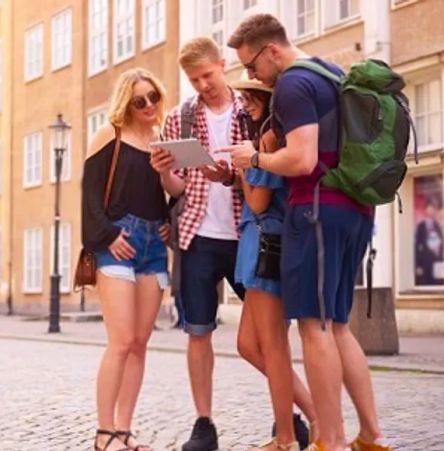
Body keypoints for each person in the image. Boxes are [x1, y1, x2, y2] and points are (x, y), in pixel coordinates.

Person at [224, 14, 391, 451]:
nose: (251, 76)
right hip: (354, 208)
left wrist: (253, 160)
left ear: (272, 50)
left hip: (316, 211)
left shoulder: (294, 85)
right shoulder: (332, 73)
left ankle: (330, 442)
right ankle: (371, 435)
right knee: (338, 325)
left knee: (313, 328)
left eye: (251, 65)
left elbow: (301, 160)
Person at [150, 37, 246, 451]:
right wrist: (163, 172)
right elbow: (177, 188)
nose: (202, 85)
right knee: (198, 331)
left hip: (248, 235)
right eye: (194, 80)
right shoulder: (180, 118)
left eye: (207, 75)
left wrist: (230, 174)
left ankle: (289, 415)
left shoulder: (251, 109)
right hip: (196, 235)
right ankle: (204, 424)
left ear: (222, 65)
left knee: (269, 335)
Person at [82, 68, 171, 451]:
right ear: (126, 103)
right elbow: (89, 197)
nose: (149, 104)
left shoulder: (161, 141)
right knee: (119, 342)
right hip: (117, 240)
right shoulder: (109, 136)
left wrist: (168, 221)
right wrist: (108, 236)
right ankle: (104, 433)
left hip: (153, 247)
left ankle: (125, 429)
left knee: (138, 343)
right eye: (140, 100)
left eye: (153, 96)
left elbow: (163, 193)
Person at [231, 72, 317, 451]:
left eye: (252, 96)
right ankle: (317, 416)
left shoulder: (267, 138)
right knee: (249, 344)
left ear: (268, 100)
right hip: (260, 240)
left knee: (274, 346)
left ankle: (285, 438)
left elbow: (257, 201)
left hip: (266, 241)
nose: (246, 102)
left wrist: (242, 169)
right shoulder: (268, 138)